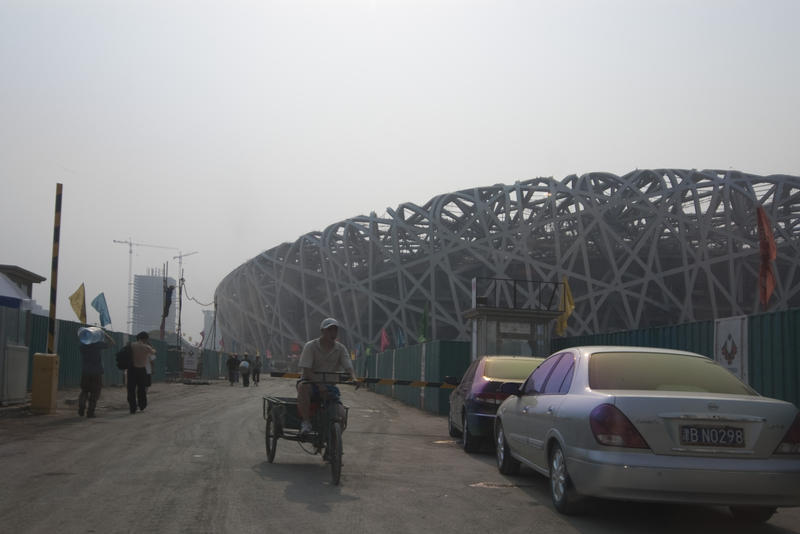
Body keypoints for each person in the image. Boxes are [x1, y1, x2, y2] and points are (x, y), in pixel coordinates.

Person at [296, 317, 357, 436]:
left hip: (329, 386)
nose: (333, 333)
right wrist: (319, 385)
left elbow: (348, 366)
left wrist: (354, 378)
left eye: (335, 330)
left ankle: (334, 445)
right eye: (329, 330)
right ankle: (306, 422)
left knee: (342, 416)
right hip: (310, 384)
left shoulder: (340, 348)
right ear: (323, 331)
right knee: (302, 387)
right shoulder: (311, 346)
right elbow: (307, 370)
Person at [77, 327, 114, 418]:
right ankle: (90, 412)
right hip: (97, 372)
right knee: (95, 392)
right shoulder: (98, 345)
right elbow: (112, 343)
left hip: (85, 371)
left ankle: (81, 406)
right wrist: (105, 334)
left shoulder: (82, 346)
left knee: (84, 390)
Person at [128, 331, 156, 414]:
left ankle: (132, 408)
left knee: (131, 389)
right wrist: (151, 347)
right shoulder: (146, 347)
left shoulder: (131, 345)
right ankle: (142, 405)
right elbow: (153, 353)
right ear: (145, 339)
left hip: (131, 369)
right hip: (141, 369)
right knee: (141, 389)